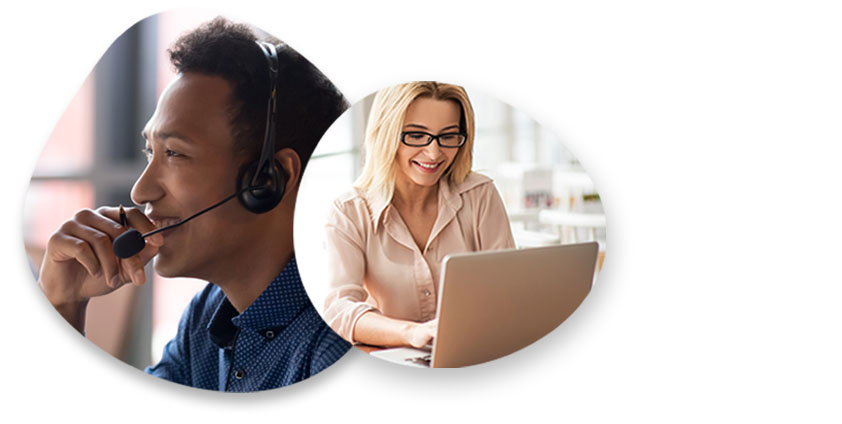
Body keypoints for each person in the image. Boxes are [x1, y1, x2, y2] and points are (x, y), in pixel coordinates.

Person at [37, 17, 350, 391]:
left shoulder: (337, 347)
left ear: (267, 179)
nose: (140, 192)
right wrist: (62, 306)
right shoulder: (207, 316)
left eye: (174, 153)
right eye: (149, 150)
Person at [322, 81, 515, 348]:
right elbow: (339, 310)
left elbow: (507, 288)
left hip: (474, 349)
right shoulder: (348, 212)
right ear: (386, 133)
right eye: (416, 135)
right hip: (394, 357)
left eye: (448, 136)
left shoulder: (480, 195)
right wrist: (410, 332)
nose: (434, 153)